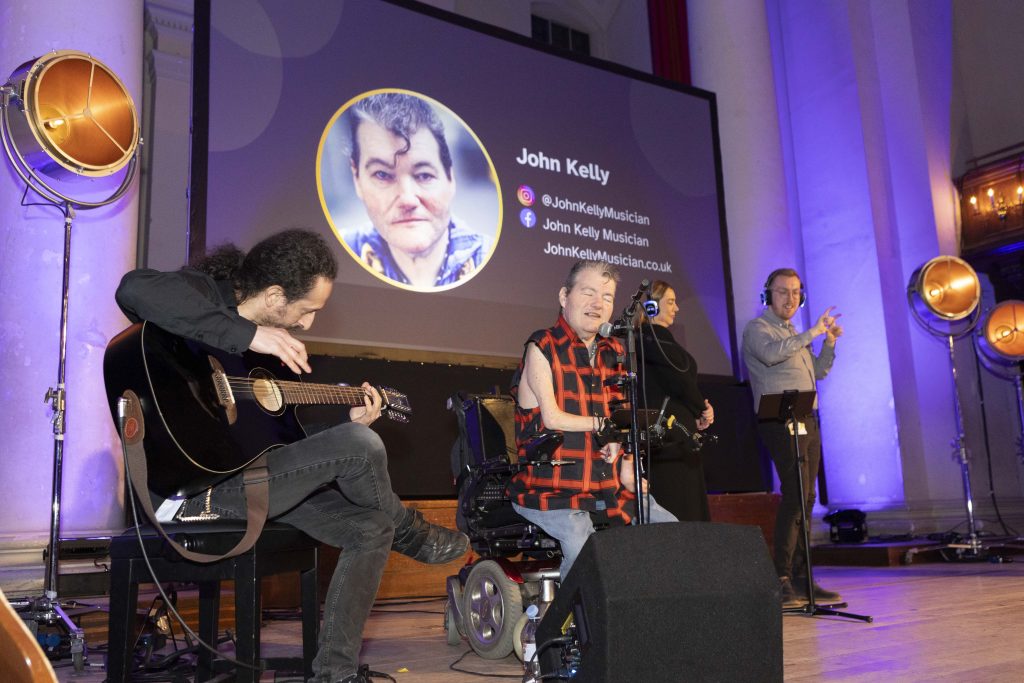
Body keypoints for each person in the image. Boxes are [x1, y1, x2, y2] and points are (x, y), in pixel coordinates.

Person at [115, 228, 469, 683]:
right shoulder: (206, 295)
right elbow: (133, 288)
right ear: (276, 295)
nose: (308, 325)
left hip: (252, 479)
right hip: (195, 492)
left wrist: (346, 429)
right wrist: (247, 333)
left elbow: (274, 440)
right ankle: (410, 530)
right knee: (363, 450)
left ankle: (333, 674)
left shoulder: (271, 359)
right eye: (308, 311)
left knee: (370, 521)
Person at [508, 260, 677, 580]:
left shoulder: (615, 350)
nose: (598, 303)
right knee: (582, 542)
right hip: (551, 489)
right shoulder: (542, 345)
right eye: (588, 292)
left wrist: (627, 463)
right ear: (563, 296)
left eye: (608, 296)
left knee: (673, 534)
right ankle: (563, 623)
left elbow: (621, 417)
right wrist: (603, 426)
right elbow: (553, 417)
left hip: (606, 486)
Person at [741, 267, 843, 608]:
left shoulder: (793, 333)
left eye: (797, 292)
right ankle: (781, 576)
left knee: (808, 496)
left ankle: (802, 576)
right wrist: (812, 332)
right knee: (795, 494)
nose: (791, 298)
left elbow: (818, 371)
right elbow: (771, 355)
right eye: (783, 291)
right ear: (768, 295)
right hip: (778, 418)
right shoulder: (759, 329)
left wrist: (828, 343)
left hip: (806, 417)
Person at [342, 92, 491, 289]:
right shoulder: (334, 255)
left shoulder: (493, 258)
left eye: (424, 175)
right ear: (357, 180)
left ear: (450, 178)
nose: (407, 199)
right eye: (382, 175)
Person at [636, 280, 715, 522]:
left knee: (683, 500)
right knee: (679, 503)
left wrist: (699, 410)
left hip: (675, 431)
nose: (677, 308)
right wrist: (702, 408)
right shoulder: (650, 337)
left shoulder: (657, 338)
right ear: (651, 307)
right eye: (670, 302)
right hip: (670, 436)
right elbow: (678, 377)